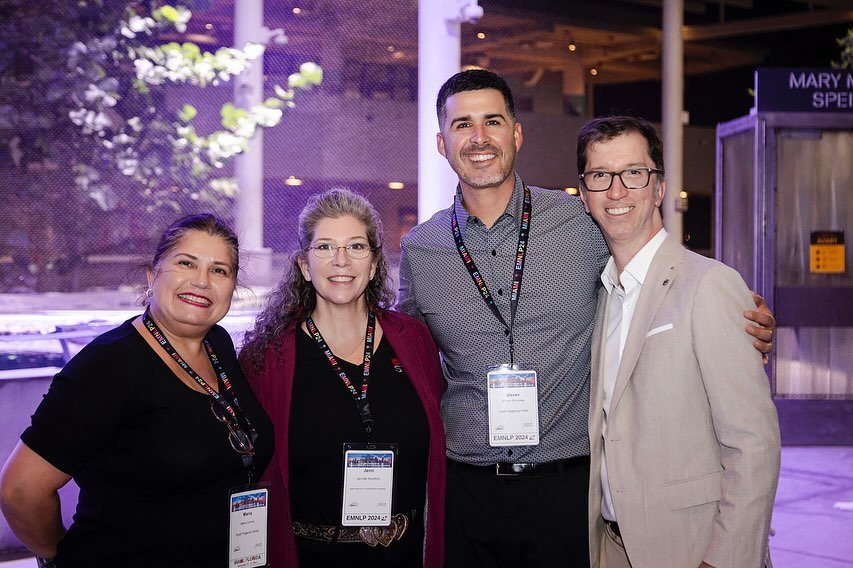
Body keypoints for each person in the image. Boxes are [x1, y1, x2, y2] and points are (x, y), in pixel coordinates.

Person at [397, 69, 776, 567]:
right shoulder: (420, 250)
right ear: (442, 143)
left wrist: (748, 317)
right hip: (468, 495)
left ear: (517, 133)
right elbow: (405, 356)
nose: (479, 137)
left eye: (492, 120)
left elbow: (662, 273)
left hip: (570, 494)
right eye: (463, 125)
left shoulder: (584, 222)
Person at [0, 214, 274, 567]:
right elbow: (20, 491)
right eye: (185, 263)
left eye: (219, 270)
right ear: (152, 275)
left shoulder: (217, 344)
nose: (202, 281)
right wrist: (59, 558)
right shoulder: (109, 364)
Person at [578, 116, 780, 568]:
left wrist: (723, 561)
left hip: (692, 550)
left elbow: (754, 444)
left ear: (659, 188)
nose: (616, 191)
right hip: (610, 547)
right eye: (600, 176)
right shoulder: (598, 295)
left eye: (634, 173)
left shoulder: (710, 284)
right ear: (585, 193)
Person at [240, 188, 446, 567]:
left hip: (405, 555)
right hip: (311, 556)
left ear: (373, 264)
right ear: (304, 265)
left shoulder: (414, 341)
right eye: (324, 248)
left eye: (355, 247)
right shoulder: (267, 359)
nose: (340, 261)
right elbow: (248, 476)